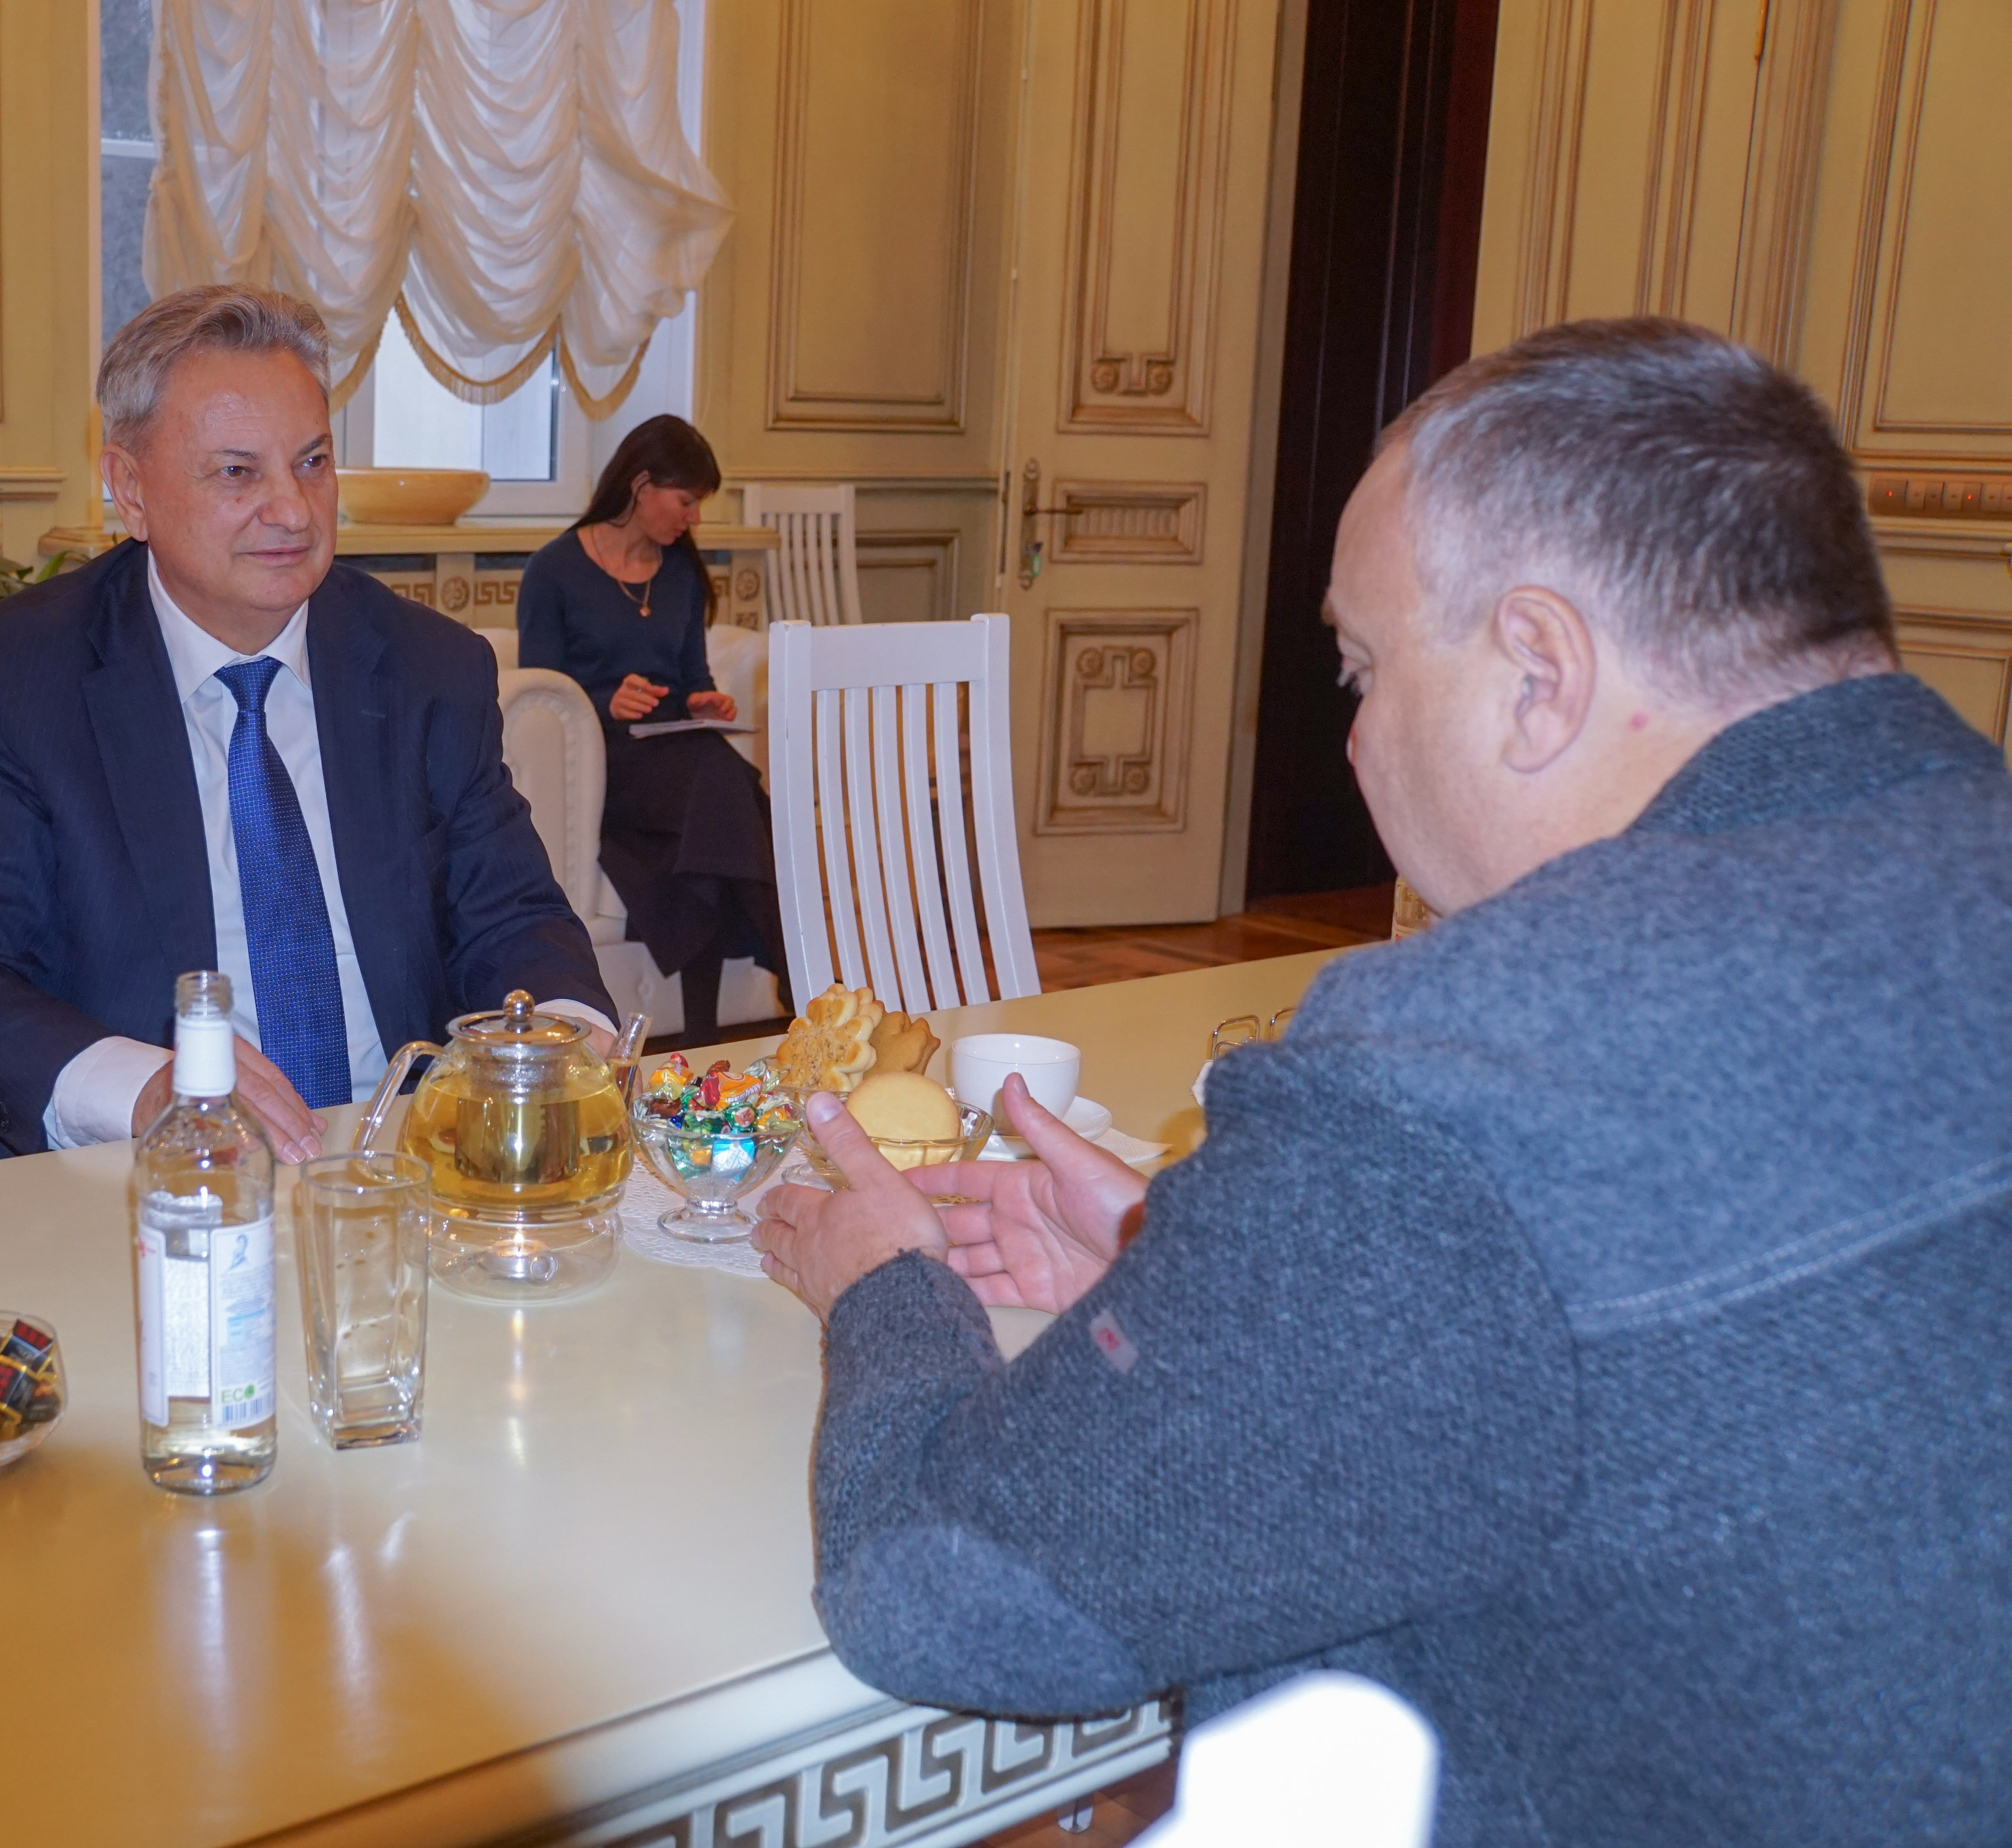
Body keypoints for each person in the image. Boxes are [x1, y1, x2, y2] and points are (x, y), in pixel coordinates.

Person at [754, 318, 2011, 1844]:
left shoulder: (1453, 1066)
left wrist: (885, 1282)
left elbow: (942, 1597)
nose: (1350, 744)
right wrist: (1200, 1269)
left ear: (1537, 671)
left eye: (1360, 669)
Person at [0, 285, 614, 1172]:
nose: (294, 511)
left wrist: (566, 1041)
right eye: (237, 472)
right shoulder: (17, 675)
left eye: (312, 462)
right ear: (130, 489)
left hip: (390, 1169)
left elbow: (514, 917)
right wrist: (150, 1090)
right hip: (114, 1175)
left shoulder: (430, 668)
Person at [518, 415, 787, 1036]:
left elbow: (693, 675)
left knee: (713, 804)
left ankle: (704, 1031)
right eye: (686, 501)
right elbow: (544, 687)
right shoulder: (554, 571)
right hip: (605, 761)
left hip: (679, 756)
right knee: (727, 785)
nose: (694, 518)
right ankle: (791, 965)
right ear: (641, 486)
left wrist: (704, 702)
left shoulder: (682, 573)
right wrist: (606, 699)